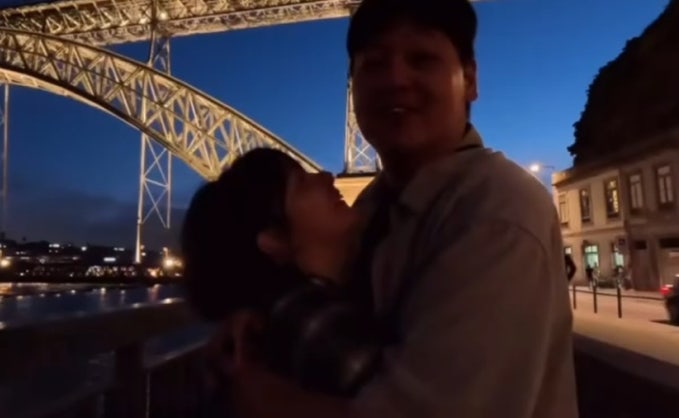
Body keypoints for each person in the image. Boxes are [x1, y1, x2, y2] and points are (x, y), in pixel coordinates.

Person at [217, 0, 579, 418]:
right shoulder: (373, 206)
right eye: (373, 64)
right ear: (353, 88)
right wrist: (262, 318)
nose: (395, 79)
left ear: (470, 80)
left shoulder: (497, 214)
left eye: (421, 59)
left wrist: (262, 397)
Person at [181, 148, 380, 397]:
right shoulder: (313, 324)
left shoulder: (286, 318)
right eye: (302, 183)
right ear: (273, 240)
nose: (327, 176)